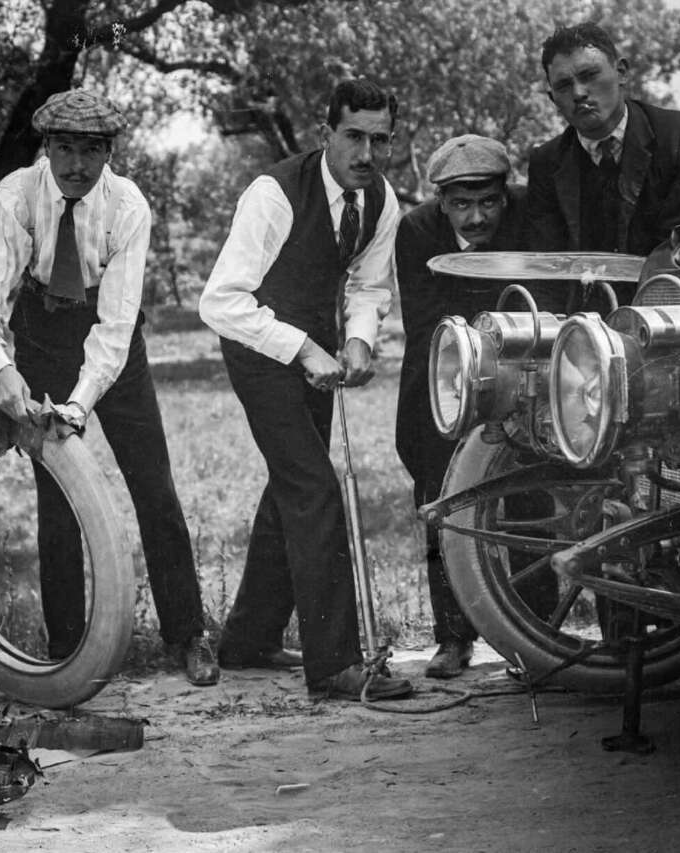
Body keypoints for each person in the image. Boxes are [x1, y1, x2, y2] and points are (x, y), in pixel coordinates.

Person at [0, 90, 218, 687]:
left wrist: (78, 406)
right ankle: (67, 650)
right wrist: (0, 372)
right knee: (58, 498)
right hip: (42, 335)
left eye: (91, 151)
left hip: (112, 344)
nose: (76, 165)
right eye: (65, 149)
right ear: (46, 147)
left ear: (109, 153)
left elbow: (116, 327)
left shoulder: (128, 206)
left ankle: (188, 634)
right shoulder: (15, 196)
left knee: (154, 487)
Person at [199, 79, 412, 701]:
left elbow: (369, 287)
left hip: (317, 348)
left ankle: (248, 640)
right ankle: (335, 666)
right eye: (353, 137)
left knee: (291, 487)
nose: (367, 153)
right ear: (325, 135)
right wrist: (303, 348)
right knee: (315, 488)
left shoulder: (382, 201)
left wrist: (360, 341)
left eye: (380, 140)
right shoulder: (273, 194)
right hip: (258, 345)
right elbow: (220, 302)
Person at [394, 135, 536, 679]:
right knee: (442, 503)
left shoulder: (532, 212)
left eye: (489, 202)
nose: (476, 218)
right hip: (445, 374)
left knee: (530, 499)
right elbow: (424, 320)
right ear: (441, 201)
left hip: (523, 371)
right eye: (461, 205)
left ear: (506, 193)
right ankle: (453, 637)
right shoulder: (416, 231)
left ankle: (534, 638)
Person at [527, 22, 680, 257]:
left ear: (622, 72)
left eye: (589, 75)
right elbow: (548, 262)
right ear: (552, 98)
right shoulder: (545, 163)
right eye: (563, 85)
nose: (578, 93)